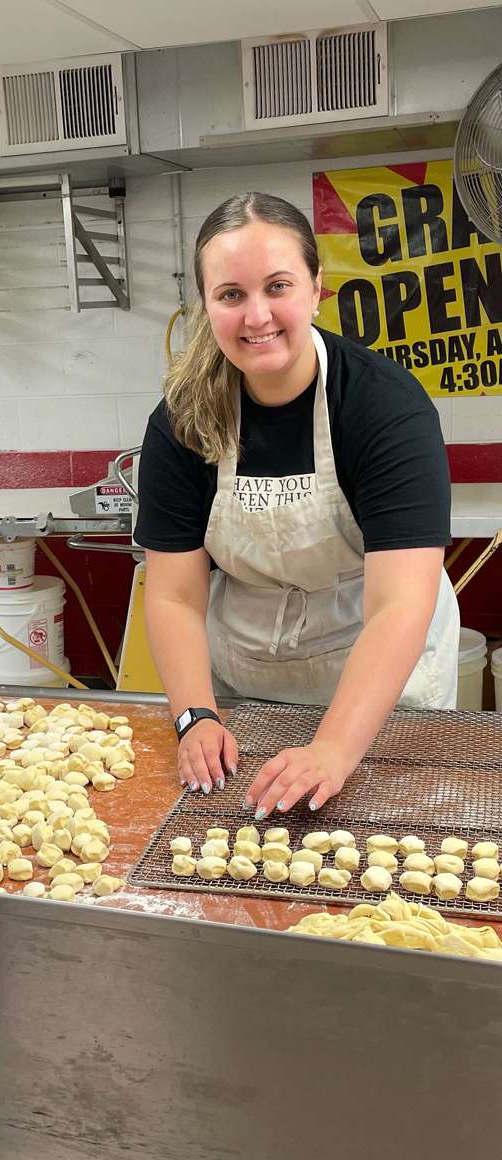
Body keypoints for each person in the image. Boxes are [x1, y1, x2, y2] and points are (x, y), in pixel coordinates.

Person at [135, 191, 459, 821]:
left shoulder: (382, 407)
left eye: (277, 286)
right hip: (248, 673)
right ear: (205, 305)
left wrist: (335, 748)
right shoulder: (183, 419)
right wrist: (194, 714)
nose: (257, 316)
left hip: (376, 676)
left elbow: (400, 602)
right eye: (231, 294)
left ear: (316, 288)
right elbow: (175, 593)